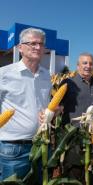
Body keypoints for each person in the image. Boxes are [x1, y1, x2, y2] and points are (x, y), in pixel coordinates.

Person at [0, 28, 51, 180]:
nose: (38, 47)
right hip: (13, 148)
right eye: (33, 43)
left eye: (41, 44)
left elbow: (45, 104)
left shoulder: (46, 75)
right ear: (20, 47)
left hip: (41, 143)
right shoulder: (4, 74)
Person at [60, 53, 93, 182]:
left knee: (91, 173)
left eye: (91, 63)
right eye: (84, 63)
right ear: (77, 66)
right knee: (74, 172)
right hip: (74, 137)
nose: (88, 66)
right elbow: (58, 107)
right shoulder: (68, 83)